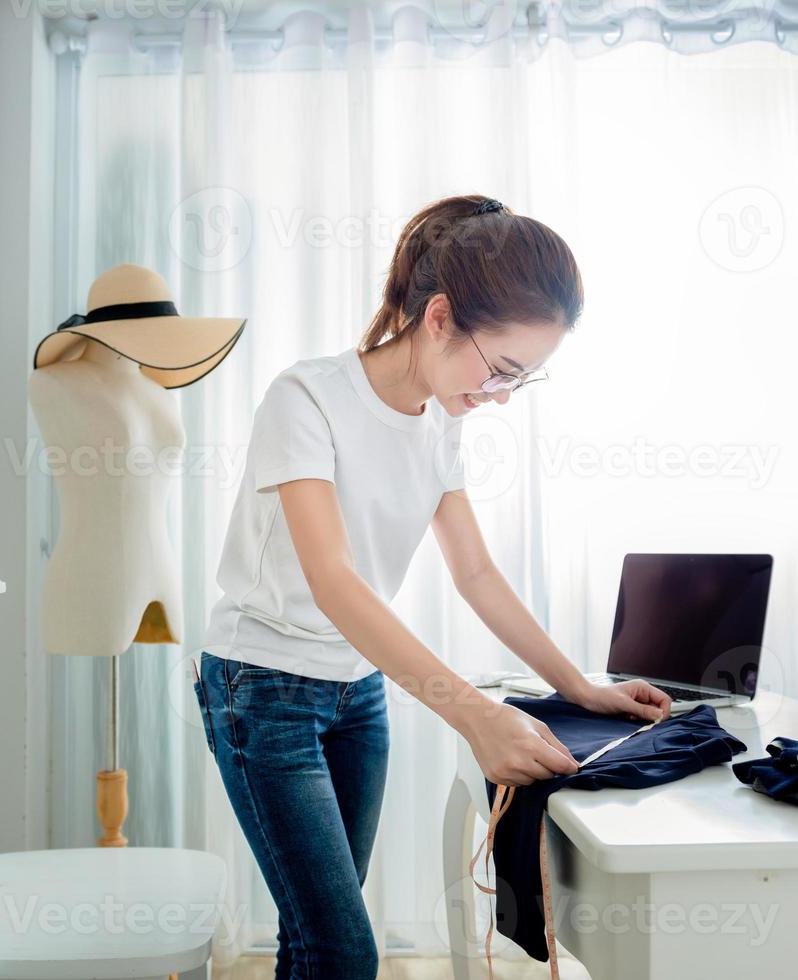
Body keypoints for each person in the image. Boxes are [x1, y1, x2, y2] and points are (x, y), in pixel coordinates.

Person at [191, 194, 672, 979]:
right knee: (342, 951)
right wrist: (474, 716)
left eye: (526, 380)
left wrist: (578, 687)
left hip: (357, 693)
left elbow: (475, 573)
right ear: (441, 317)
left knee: (312, 938)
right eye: (502, 369)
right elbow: (335, 580)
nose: (502, 397)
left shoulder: (438, 423)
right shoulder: (305, 399)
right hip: (261, 689)